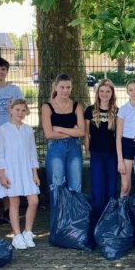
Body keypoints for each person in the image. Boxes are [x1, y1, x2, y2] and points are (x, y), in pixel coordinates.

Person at [0, 99, 41, 250]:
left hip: (26, 170)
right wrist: (1, 175)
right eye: (17, 109)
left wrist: (35, 173)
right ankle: (17, 235)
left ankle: (28, 232)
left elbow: (32, 153)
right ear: (11, 110)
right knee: (14, 202)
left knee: (34, 201)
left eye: (23, 110)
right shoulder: (3, 129)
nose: (20, 113)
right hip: (10, 170)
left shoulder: (28, 130)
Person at [41, 74, 86, 204]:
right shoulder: (47, 107)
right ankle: (58, 218)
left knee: (75, 186)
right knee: (56, 185)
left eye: (68, 87)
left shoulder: (77, 106)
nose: (65, 90)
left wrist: (59, 129)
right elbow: (49, 134)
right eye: (62, 87)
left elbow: (82, 132)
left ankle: (74, 217)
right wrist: (72, 132)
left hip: (74, 148)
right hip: (55, 148)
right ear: (55, 87)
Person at [85, 79, 119, 227]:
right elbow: (86, 134)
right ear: (97, 92)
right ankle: (97, 222)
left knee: (111, 190)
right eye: (102, 91)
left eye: (108, 91)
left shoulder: (117, 111)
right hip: (96, 154)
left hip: (112, 154)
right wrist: (88, 151)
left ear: (112, 93)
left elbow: (119, 135)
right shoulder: (90, 110)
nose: (105, 94)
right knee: (98, 191)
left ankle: (111, 223)